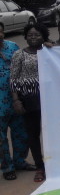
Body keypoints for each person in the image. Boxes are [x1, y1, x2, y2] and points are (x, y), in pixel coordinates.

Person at [10, 23, 49, 182]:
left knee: (51, 133)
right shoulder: (19, 54)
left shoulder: (49, 51)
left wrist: (50, 46)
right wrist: (16, 100)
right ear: (25, 37)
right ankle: (40, 167)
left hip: (49, 97)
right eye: (30, 35)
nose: (33, 37)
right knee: (33, 134)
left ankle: (55, 164)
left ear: (43, 36)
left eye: (37, 35)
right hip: (29, 98)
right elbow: (13, 79)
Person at [0, 23, 31, 181]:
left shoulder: (12, 47)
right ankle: (7, 167)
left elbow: (23, 65)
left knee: (21, 132)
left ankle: (19, 161)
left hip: (15, 98)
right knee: (1, 138)